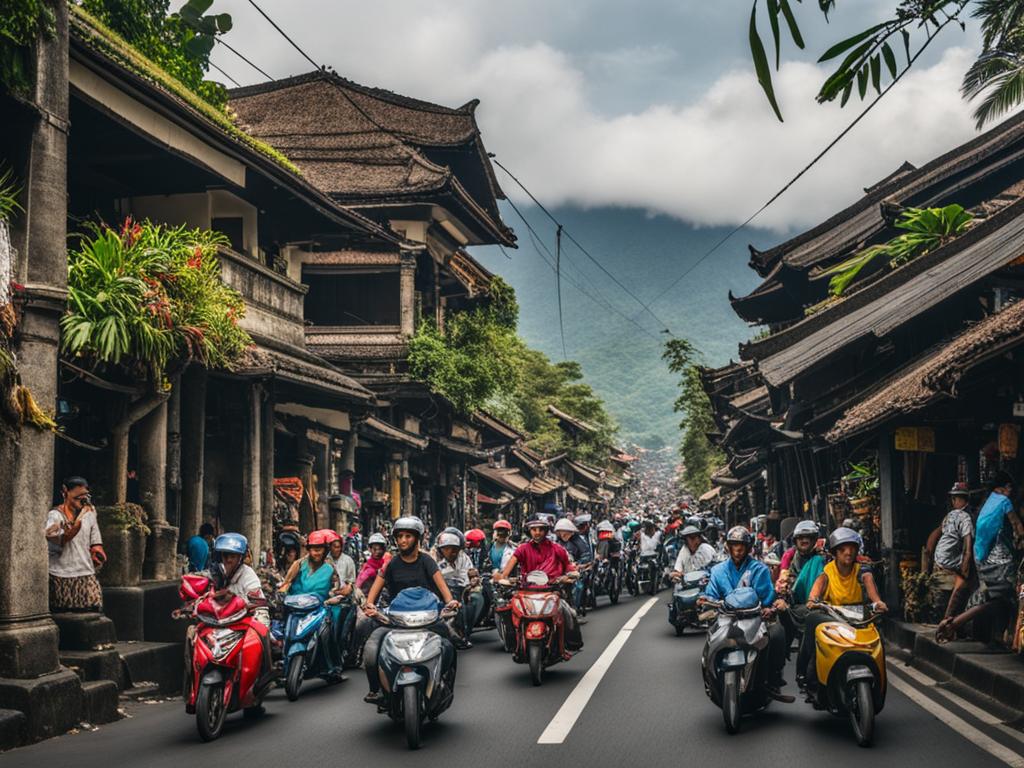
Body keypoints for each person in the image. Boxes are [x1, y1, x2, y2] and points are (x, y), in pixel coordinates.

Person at [361, 517, 459, 705]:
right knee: (372, 649)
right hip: (396, 621)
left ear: (417, 538)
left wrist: (451, 602)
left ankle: (443, 685)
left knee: (449, 645)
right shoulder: (391, 564)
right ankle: (377, 690)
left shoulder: (427, 561)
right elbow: (372, 595)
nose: (403, 540)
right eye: (399, 536)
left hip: (428, 619)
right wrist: (370, 606)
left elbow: (445, 591)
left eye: (408, 536)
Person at [701, 526, 789, 700]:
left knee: (778, 633)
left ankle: (773, 678)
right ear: (728, 547)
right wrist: (704, 600)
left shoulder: (759, 569)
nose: (738, 549)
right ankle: (710, 677)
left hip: (755, 618)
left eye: (742, 545)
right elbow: (710, 594)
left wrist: (767, 608)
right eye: (734, 545)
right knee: (708, 642)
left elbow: (767, 596)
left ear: (749, 548)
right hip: (725, 618)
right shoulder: (718, 571)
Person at [798, 527, 887, 690]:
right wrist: (813, 600)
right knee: (811, 620)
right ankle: (805, 671)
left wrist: (877, 603)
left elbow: (871, 589)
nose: (848, 553)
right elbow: (816, 591)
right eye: (843, 549)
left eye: (852, 548)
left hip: (859, 617)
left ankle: (879, 680)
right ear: (835, 553)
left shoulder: (863, 571)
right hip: (833, 616)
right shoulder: (827, 572)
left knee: (879, 638)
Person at [942, 472, 1022, 645]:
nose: (1011, 492)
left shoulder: (988, 502)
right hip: (997, 560)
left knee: (993, 598)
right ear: (1002, 488)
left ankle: (955, 623)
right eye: (1009, 488)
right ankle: (955, 624)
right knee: (1009, 596)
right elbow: (1016, 524)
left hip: (982, 559)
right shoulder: (1004, 502)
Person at [499, 514, 583, 651]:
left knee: (570, 614)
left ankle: (571, 644)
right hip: (526, 591)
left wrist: (571, 574)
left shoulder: (557, 548)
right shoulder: (522, 549)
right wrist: (505, 579)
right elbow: (508, 569)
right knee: (507, 611)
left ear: (546, 531)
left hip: (551, 590)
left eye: (540, 529)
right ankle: (513, 644)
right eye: (534, 529)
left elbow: (568, 566)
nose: (537, 533)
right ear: (529, 531)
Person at [279, 529, 344, 675]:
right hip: (294, 606)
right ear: (309, 550)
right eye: (314, 550)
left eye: (319, 550)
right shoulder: (298, 564)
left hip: (318, 607)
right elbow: (287, 582)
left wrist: (334, 596)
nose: (316, 553)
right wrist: (282, 592)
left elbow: (336, 587)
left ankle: (331, 666)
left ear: (325, 550)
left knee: (327, 632)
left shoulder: (330, 568)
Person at [45, 477, 106, 612]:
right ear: (65, 492)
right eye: (78, 498)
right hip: (60, 574)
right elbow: (63, 538)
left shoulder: (90, 512)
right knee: (64, 614)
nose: (83, 501)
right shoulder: (55, 515)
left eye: (85, 497)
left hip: (85, 572)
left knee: (93, 609)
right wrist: (81, 516)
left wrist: (97, 551)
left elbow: (95, 537)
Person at [933, 483, 977, 641]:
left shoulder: (950, 516)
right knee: (969, 580)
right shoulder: (965, 517)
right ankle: (949, 623)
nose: (953, 501)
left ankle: (953, 623)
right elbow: (968, 543)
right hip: (952, 559)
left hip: (941, 558)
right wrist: (966, 565)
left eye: (954, 498)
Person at [776, 520, 825, 649]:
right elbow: (784, 579)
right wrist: (782, 597)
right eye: (800, 538)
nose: (804, 540)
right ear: (796, 541)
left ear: (814, 539)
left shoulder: (824, 557)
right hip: (798, 604)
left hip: (823, 605)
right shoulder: (792, 558)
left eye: (808, 537)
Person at [434, 530, 481, 647]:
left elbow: (471, 572)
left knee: (469, 605)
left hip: (463, 589)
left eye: (454, 548)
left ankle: (464, 634)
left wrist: (473, 580)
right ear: (441, 550)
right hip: (443, 591)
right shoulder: (435, 560)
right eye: (447, 548)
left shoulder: (464, 558)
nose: (451, 552)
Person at [210, 532, 269, 625]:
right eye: (225, 556)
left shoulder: (248, 575)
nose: (228, 560)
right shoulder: (217, 572)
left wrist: (235, 599)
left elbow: (259, 605)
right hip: (221, 622)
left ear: (240, 558)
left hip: (245, 622)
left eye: (233, 556)